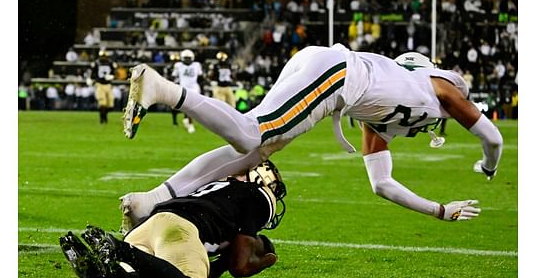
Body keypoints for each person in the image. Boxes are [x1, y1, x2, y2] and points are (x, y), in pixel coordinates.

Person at [121, 45, 503, 225]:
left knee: (257, 151)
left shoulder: (387, 110)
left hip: (333, 75)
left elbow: (382, 184)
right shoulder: (439, 88)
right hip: (337, 74)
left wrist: (438, 210)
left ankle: (151, 200)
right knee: (253, 134)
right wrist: (487, 166)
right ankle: (164, 90)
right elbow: (493, 138)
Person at [60, 161, 287, 278]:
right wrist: (265, 261)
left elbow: (207, 269)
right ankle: (119, 249)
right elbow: (240, 265)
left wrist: (222, 262)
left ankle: (99, 273)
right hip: (179, 229)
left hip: (148, 226)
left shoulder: (219, 189)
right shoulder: (259, 195)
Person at [171, 49, 204, 133]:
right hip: (183, 88)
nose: (187, 60)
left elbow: (200, 76)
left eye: (189, 58)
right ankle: (188, 122)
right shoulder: (178, 65)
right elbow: (174, 76)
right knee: (181, 106)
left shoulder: (196, 65)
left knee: (192, 107)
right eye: (186, 58)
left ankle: (189, 122)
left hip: (194, 88)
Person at [91, 49, 117, 124]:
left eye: (104, 56)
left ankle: (104, 115)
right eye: (102, 56)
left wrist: (111, 76)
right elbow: (92, 75)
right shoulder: (96, 63)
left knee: (111, 105)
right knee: (102, 103)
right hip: (100, 84)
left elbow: (114, 73)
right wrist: (97, 79)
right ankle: (102, 118)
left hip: (108, 85)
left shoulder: (111, 63)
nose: (103, 58)